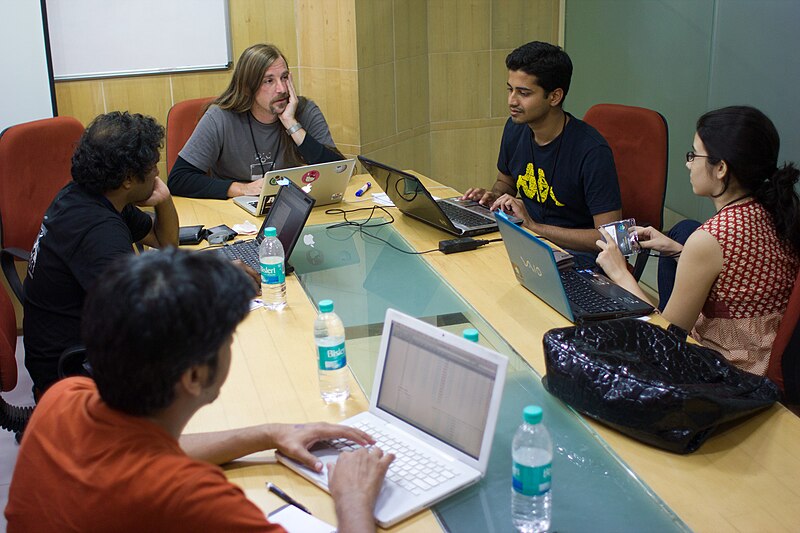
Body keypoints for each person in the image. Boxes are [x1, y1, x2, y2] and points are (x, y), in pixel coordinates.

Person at [6, 249, 393, 532]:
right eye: (227, 340)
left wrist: (270, 433)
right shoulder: (188, 498)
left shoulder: (63, 398)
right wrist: (353, 497)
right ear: (193, 376)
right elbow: (158, 470)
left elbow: (152, 452)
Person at [596, 106, 800, 376]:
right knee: (683, 232)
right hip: (764, 358)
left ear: (721, 168)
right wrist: (680, 251)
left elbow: (665, 339)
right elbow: (738, 278)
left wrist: (620, 275)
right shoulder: (773, 210)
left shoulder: (711, 238)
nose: (688, 164)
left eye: (694, 155)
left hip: (729, 373)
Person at [22, 111, 179, 395]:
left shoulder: (91, 194)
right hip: (71, 374)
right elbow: (141, 317)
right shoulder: (97, 231)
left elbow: (164, 242)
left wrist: (163, 199)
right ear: (129, 178)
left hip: (78, 348)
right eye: (154, 165)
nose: (157, 172)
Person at [461, 41, 622, 264]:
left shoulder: (592, 151)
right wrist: (493, 197)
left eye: (524, 93)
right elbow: (505, 182)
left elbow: (611, 239)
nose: (512, 101)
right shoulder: (515, 127)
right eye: (510, 89)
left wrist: (535, 227)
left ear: (555, 97)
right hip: (526, 240)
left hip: (575, 256)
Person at [168, 43, 344, 199]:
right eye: (269, 81)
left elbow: (340, 172)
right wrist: (242, 189)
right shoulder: (220, 118)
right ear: (247, 87)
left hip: (290, 205)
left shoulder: (304, 111)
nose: (281, 89)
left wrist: (292, 124)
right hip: (235, 211)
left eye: (284, 77)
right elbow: (179, 179)